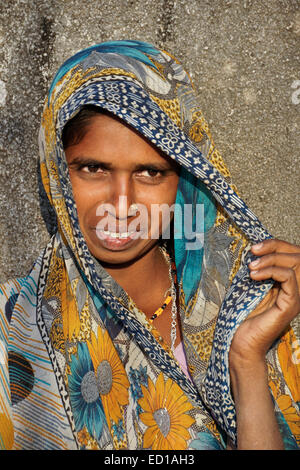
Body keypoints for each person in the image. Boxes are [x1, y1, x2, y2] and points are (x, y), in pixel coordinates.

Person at [0, 40, 299, 451]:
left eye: (150, 172)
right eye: (92, 168)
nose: (121, 204)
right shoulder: (11, 330)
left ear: (186, 181)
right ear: (56, 170)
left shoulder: (244, 306)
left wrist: (247, 359)